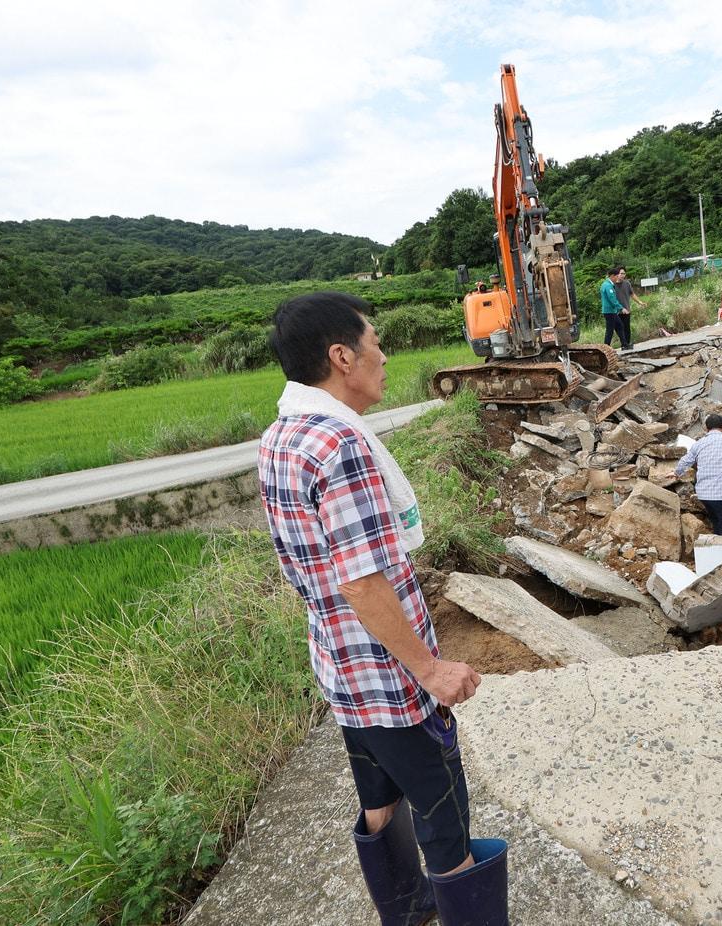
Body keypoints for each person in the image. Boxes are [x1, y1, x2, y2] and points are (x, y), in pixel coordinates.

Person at [259, 291, 508, 926]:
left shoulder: (281, 436)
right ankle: (451, 904)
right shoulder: (340, 445)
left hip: (341, 668)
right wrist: (430, 670)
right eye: (376, 343)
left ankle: (406, 909)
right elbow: (364, 582)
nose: (385, 355)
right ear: (341, 356)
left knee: (380, 799)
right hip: (387, 675)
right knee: (443, 809)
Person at [599, 266, 630, 350]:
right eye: (616, 276)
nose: (617, 278)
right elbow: (612, 300)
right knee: (610, 331)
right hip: (609, 312)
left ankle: (625, 345)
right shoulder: (608, 286)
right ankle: (606, 349)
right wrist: (621, 308)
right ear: (612, 276)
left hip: (611, 311)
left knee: (620, 326)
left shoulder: (607, 284)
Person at [614, 266, 646, 349]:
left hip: (626, 310)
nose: (622, 275)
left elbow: (632, 294)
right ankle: (624, 344)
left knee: (627, 328)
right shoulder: (612, 285)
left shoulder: (627, 283)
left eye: (624, 273)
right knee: (619, 329)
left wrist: (640, 302)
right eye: (621, 273)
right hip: (616, 311)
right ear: (617, 274)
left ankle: (627, 344)